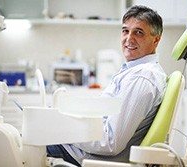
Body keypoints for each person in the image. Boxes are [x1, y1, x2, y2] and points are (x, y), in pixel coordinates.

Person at [47, 5, 167, 166]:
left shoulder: (142, 78)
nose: (129, 39)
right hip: (84, 149)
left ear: (156, 39)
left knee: (21, 142)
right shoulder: (133, 71)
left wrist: (65, 130)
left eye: (138, 32)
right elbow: (105, 119)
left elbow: (111, 142)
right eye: (125, 31)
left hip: (86, 157)